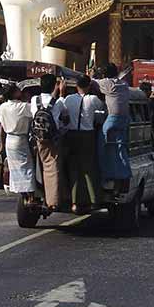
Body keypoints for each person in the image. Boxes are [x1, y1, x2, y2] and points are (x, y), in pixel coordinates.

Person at [62, 74, 106, 213]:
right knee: (89, 169)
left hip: (71, 135)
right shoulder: (93, 99)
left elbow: (63, 115)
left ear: (76, 86)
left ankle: (75, 202)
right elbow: (102, 114)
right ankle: (94, 201)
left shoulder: (68, 99)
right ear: (89, 86)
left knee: (74, 169)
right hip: (88, 135)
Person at [29, 74, 70, 211]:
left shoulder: (34, 99)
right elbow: (64, 117)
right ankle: (53, 201)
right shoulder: (57, 102)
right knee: (52, 168)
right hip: (53, 139)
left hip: (38, 138)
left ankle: (38, 194)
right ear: (54, 86)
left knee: (39, 166)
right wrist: (62, 93)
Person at [93, 63, 132, 194]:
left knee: (102, 145)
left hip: (112, 118)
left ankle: (105, 176)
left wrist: (93, 74)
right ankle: (124, 177)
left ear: (104, 75)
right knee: (121, 148)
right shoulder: (124, 85)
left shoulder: (107, 84)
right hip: (125, 119)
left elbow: (91, 82)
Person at [0, 84, 36, 202]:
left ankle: (23, 194)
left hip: (9, 139)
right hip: (20, 139)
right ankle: (30, 196)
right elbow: (36, 111)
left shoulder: (3, 107)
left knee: (15, 169)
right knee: (26, 166)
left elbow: (2, 126)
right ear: (14, 93)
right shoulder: (23, 106)